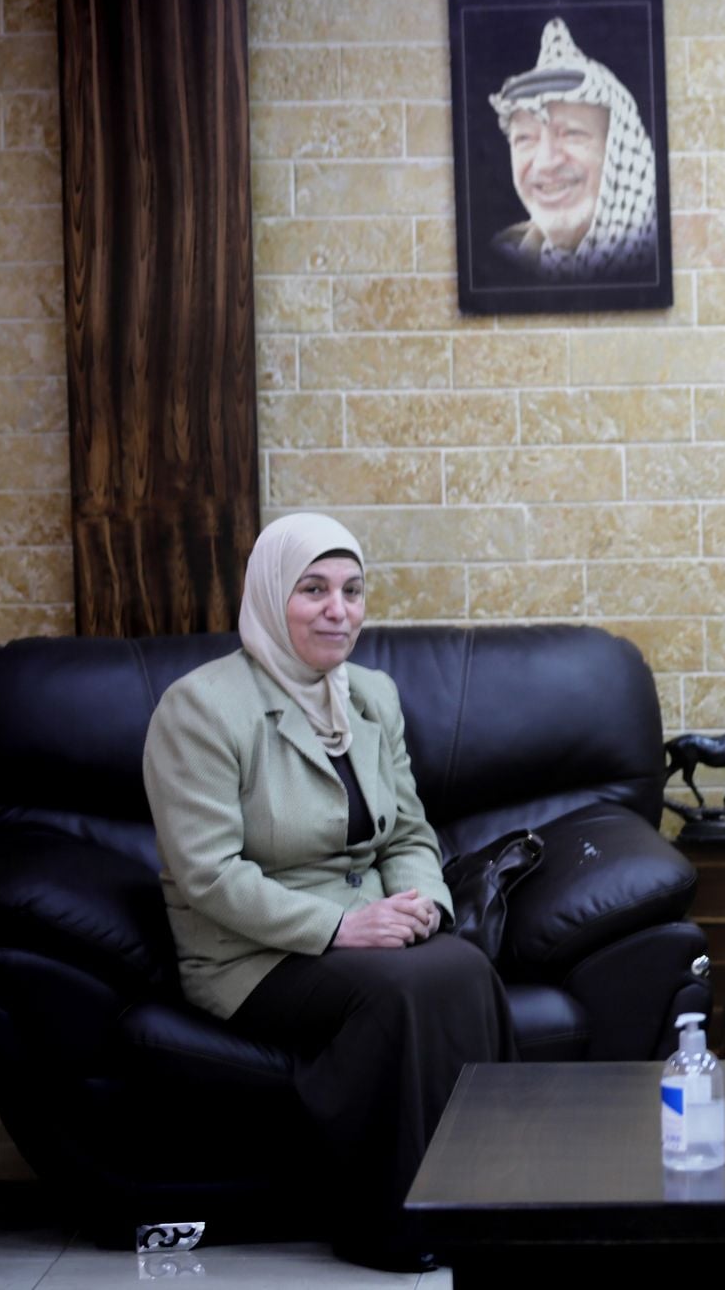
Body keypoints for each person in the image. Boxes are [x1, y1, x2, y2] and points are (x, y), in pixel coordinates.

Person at [144, 513, 515, 1272]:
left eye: (352, 590)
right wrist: (343, 928)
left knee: (464, 966)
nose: (337, 610)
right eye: (312, 590)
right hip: (251, 953)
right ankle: (393, 1227)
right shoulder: (200, 707)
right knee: (404, 991)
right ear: (269, 595)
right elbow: (209, 874)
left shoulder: (372, 696)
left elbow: (409, 832)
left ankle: (487, 1203)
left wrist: (424, 903)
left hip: (372, 926)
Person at [487, 17, 659, 283]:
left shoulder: (662, 249)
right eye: (525, 139)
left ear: (618, 150)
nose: (545, 162)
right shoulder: (500, 264)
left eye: (571, 133)